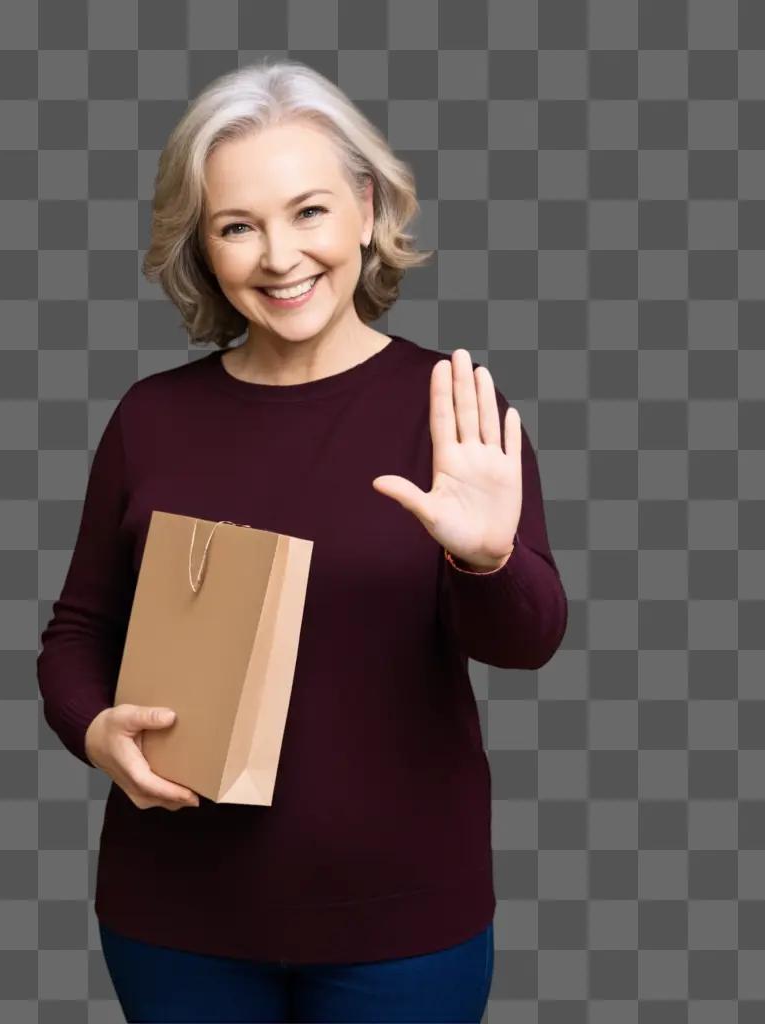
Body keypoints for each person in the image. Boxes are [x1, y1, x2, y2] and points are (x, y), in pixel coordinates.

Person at [37, 58, 568, 1023]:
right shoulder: (152, 418)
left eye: (309, 211)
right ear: (204, 247)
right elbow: (78, 633)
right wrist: (93, 732)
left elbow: (526, 642)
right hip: (175, 920)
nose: (280, 256)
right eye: (239, 226)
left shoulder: (451, 412)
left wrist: (487, 559)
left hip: (403, 928)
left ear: (367, 209)